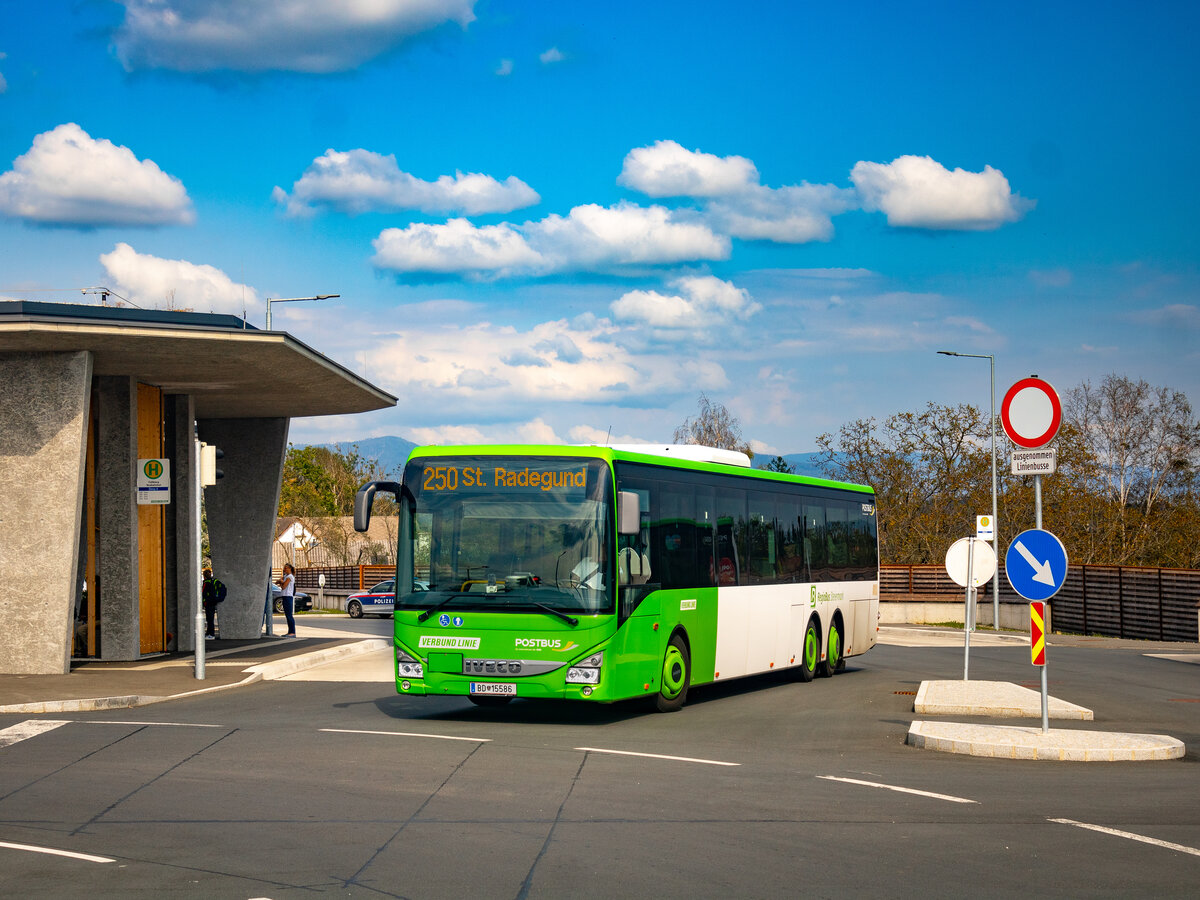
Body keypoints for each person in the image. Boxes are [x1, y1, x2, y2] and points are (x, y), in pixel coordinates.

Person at [202, 567, 227, 640]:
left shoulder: (207, 583)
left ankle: (211, 634)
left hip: (209, 603)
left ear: (204, 576)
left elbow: (204, 594)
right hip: (213, 602)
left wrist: (204, 602)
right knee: (210, 619)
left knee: (209, 619)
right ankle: (208, 633)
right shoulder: (213, 581)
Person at [276, 563, 297, 637]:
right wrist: (281, 582)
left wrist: (281, 581)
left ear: (290, 569)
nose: (285, 569)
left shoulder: (290, 577)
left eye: (286, 568)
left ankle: (292, 632)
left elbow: (284, 586)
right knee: (287, 615)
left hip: (288, 597)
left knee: (289, 615)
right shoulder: (285, 576)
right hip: (284, 596)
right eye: (284, 568)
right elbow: (282, 587)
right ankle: (290, 631)